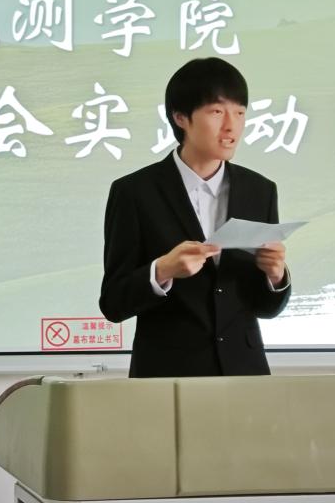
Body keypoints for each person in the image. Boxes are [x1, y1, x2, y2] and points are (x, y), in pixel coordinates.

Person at [99, 57, 290, 377]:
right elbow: (113, 303)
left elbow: (264, 308)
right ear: (181, 118)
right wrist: (162, 270)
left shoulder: (260, 190)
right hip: (166, 376)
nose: (231, 126)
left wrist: (276, 276)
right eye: (217, 112)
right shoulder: (135, 192)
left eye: (240, 113)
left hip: (244, 376)